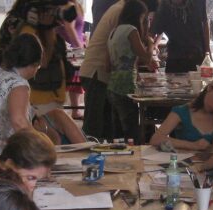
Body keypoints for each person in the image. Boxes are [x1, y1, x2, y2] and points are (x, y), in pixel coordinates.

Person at [80, 0, 159, 140]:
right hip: (97, 74)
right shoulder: (126, 23)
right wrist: (150, 46)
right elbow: (142, 55)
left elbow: (121, 54)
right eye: (144, 18)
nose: (145, 22)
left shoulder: (121, 14)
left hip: (104, 76)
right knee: (96, 127)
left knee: (108, 129)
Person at [149, 74, 213, 152]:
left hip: (210, 166)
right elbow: (155, 139)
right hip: (184, 168)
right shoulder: (182, 111)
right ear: (210, 88)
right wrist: (193, 145)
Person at [107, 0, 157, 143]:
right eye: (143, 18)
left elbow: (108, 65)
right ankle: (135, 155)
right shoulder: (131, 30)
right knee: (132, 130)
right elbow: (146, 57)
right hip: (126, 86)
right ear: (138, 16)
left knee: (117, 130)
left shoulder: (114, 32)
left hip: (112, 86)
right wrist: (151, 44)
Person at [150, 0, 210, 73]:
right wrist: (149, 55)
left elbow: (205, 23)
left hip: (196, 55)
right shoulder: (164, 6)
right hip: (176, 58)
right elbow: (153, 32)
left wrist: (207, 50)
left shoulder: (198, 2)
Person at [56, 0, 87, 119]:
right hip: (72, 48)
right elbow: (69, 27)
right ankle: (73, 110)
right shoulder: (69, 6)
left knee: (76, 79)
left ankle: (75, 110)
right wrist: (79, 47)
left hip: (73, 47)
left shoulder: (73, 5)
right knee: (73, 79)